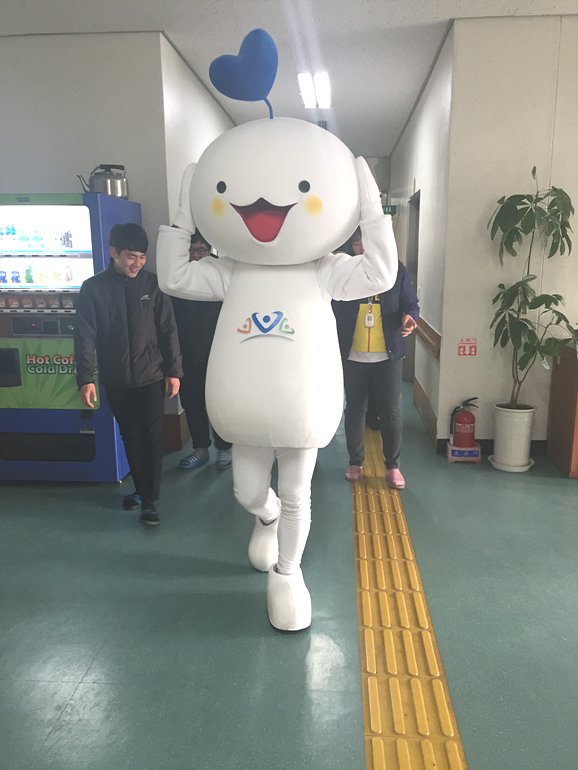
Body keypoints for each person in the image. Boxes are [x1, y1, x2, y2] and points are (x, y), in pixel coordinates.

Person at [74, 223, 183, 525]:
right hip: (116, 378)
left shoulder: (153, 285)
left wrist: (173, 370)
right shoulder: (93, 288)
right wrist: (85, 378)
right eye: (131, 257)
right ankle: (142, 489)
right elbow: (84, 336)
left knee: (152, 436)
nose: (137, 263)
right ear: (114, 252)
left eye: (142, 257)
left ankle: (149, 499)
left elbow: (168, 330)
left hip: (151, 375)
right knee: (131, 436)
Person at [332, 227, 419, 489]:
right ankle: (355, 461)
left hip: (388, 355)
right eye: (356, 243)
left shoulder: (396, 270)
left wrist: (409, 317)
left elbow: (410, 303)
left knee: (390, 412)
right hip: (353, 354)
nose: (362, 248)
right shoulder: (344, 272)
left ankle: (392, 466)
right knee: (355, 409)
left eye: (366, 242)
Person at [171, 230, 232, 471]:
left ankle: (225, 448)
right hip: (185, 353)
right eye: (191, 250)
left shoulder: (222, 273)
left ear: (210, 251)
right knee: (192, 402)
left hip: (217, 353)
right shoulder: (178, 276)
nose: (195, 256)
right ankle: (200, 449)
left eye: (201, 250)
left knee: (219, 402)